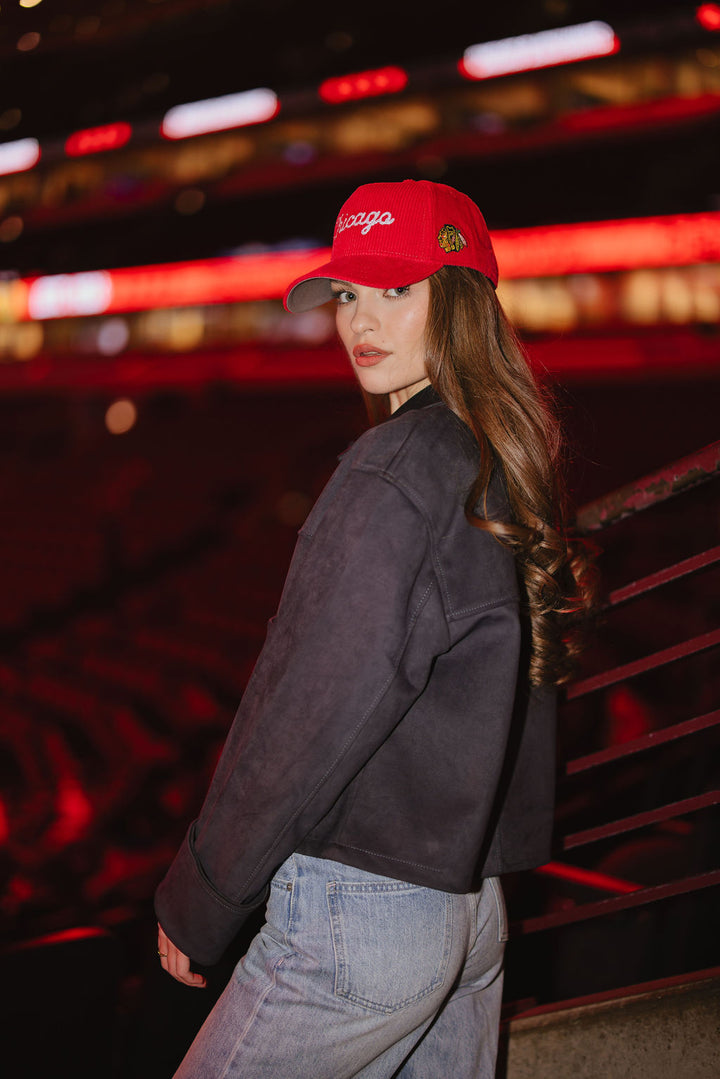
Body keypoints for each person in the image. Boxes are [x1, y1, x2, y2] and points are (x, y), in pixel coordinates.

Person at [154, 178, 595, 1078]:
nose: (361, 319)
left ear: (463, 302)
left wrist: (201, 893)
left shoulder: (392, 467)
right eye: (350, 294)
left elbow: (308, 705)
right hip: (467, 906)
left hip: (363, 914)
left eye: (397, 291)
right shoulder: (496, 454)